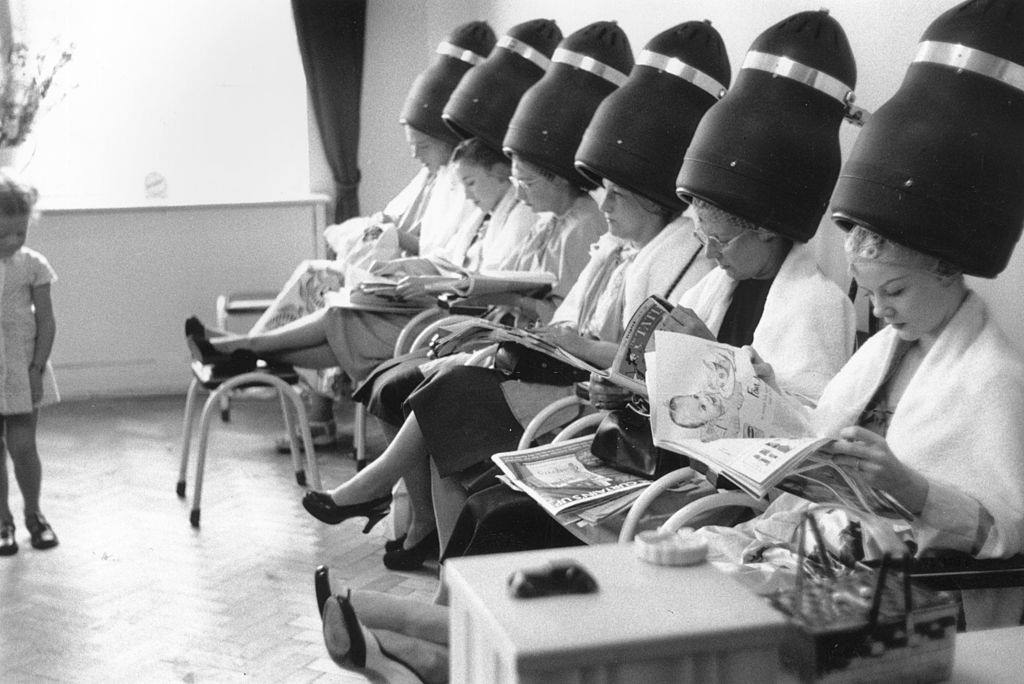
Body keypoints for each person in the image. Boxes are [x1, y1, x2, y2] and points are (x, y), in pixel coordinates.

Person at [0, 171, 60, 556]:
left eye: (19, 233)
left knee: (24, 448)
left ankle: (34, 515)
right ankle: (2, 520)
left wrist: (37, 368)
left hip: (22, 368)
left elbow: (46, 321)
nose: (11, 241)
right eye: (2, 234)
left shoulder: (32, 265)